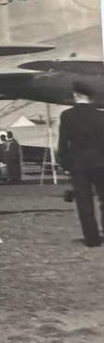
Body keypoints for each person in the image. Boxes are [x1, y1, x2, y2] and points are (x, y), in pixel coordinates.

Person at [58, 81, 104, 246]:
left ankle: (92, 239)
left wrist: (65, 165)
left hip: (79, 166)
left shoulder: (67, 116)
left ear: (75, 95)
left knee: (84, 203)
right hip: (101, 165)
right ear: (90, 97)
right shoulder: (101, 116)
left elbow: (63, 143)